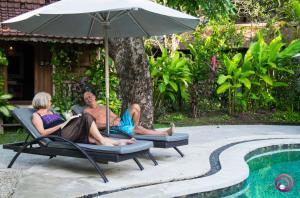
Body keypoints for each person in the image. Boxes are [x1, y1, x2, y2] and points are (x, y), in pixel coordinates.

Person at [31, 92, 136, 146]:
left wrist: (69, 120)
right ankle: (103, 141)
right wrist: (61, 125)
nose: (51, 102)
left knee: (92, 138)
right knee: (85, 116)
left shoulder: (51, 111)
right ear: (43, 101)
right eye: (49, 100)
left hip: (69, 131)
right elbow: (42, 133)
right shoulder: (36, 116)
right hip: (60, 135)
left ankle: (120, 142)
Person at [83, 91, 174, 136]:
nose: (88, 98)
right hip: (113, 128)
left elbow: (114, 116)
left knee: (135, 106)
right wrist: (111, 123)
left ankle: (135, 127)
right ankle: (164, 133)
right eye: (86, 98)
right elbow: (92, 125)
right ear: (85, 102)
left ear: (94, 97)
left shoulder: (103, 107)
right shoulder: (87, 111)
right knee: (138, 129)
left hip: (119, 122)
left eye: (90, 96)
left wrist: (117, 119)